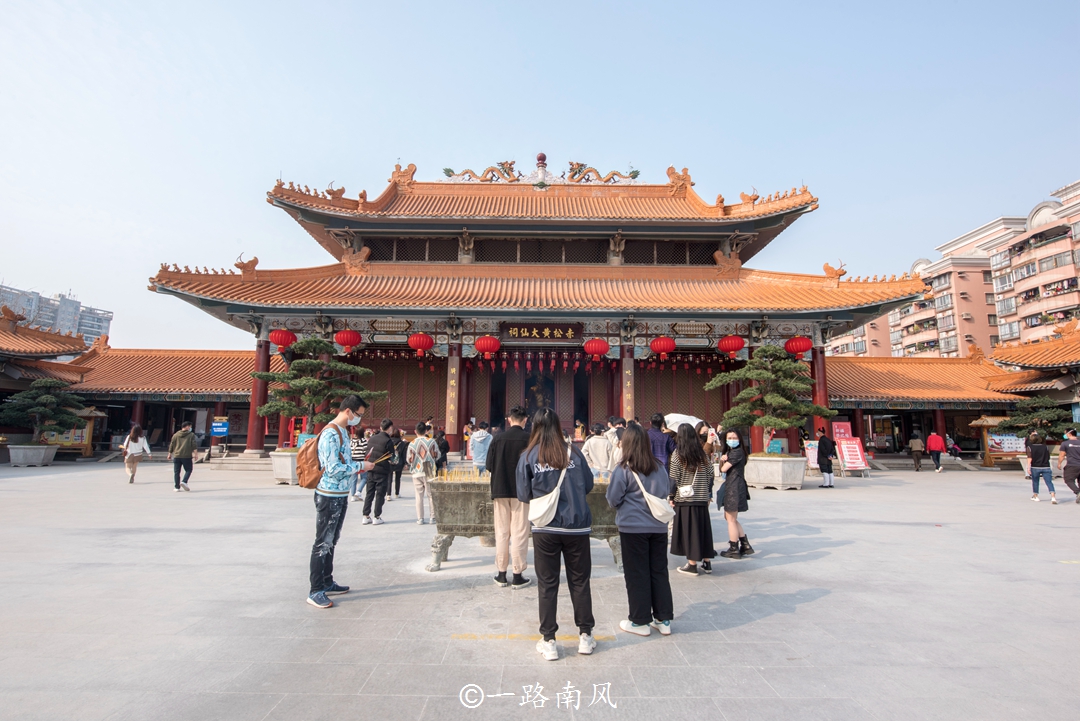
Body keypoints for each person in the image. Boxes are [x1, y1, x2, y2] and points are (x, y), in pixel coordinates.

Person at [516, 408, 596, 661]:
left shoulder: (529, 456)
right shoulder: (575, 453)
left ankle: (548, 640)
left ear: (535, 427)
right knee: (580, 581)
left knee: (547, 584)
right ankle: (585, 636)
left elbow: (522, 494)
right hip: (577, 526)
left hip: (546, 528)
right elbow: (589, 485)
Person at [606, 423, 674, 637]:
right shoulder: (659, 466)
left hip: (633, 527)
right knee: (659, 571)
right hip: (658, 527)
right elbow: (665, 491)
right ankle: (663, 619)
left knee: (637, 574)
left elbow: (612, 498)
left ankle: (640, 620)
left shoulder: (623, 469)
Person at [307, 395, 375, 609]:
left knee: (332, 540)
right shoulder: (330, 434)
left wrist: (360, 464)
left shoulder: (344, 433)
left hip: (340, 494)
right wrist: (360, 466)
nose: (359, 419)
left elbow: (344, 462)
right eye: (359, 414)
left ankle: (327, 581)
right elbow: (333, 468)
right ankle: (315, 589)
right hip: (328, 494)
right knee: (322, 542)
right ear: (348, 411)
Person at [486, 405, 532, 588]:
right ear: (525, 420)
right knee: (520, 533)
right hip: (521, 491)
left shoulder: (497, 439)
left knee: (502, 532)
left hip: (500, 489)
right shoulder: (529, 439)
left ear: (509, 419)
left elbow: (489, 465)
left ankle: (501, 573)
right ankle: (518, 574)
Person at [668, 423, 716, 575]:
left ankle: (692, 564)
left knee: (690, 531)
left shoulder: (678, 454)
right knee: (704, 530)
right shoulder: (701, 454)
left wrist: (671, 496)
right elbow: (710, 473)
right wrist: (707, 492)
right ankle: (707, 562)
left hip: (685, 498)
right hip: (701, 498)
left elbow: (674, 477)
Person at [718, 429, 754, 559]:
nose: (732, 440)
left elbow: (723, 469)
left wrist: (723, 460)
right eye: (729, 438)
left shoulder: (736, 453)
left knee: (731, 519)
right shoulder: (735, 452)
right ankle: (745, 545)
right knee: (730, 518)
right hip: (734, 486)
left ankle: (734, 548)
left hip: (734, 487)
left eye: (734, 438)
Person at [406, 422, 441, 524]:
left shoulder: (411, 443)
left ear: (415, 431)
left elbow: (408, 459)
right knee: (431, 495)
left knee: (418, 495)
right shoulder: (432, 441)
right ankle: (432, 517)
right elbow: (438, 455)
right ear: (426, 431)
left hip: (416, 470)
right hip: (428, 468)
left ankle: (420, 518)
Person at [362, 419, 395, 524]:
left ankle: (366, 515)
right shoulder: (388, 441)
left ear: (381, 427)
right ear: (389, 428)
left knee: (369, 493)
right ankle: (377, 516)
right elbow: (392, 457)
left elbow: (367, 452)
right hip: (382, 470)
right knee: (380, 494)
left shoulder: (372, 438)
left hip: (371, 469)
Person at [167, 420, 197, 492]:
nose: (190, 428)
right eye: (189, 426)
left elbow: (172, 444)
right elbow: (194, 445)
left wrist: (169, 453)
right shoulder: (191, 435)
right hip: (186, 456)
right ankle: (184, 481)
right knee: (189, 469)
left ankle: (176, 487)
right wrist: (196, 454)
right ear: (187, 427)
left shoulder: (175, 435)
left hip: (177, 455)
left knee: (177, 472)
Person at [1027, 433, 1057, 504]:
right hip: (1046, 466)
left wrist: (1028, 468)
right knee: (1049, 482)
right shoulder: (1045, 447)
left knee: (1035, 481)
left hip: (1035, 466)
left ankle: (1036, 496)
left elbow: (1029, 458)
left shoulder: (1030, 447)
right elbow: (1048, 457)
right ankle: (1053, 497)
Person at [1056, 428, 1080, 503]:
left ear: (1069, 434)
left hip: (1072, 465)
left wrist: (1059, 463)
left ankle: (1078, 492)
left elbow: (1062, 455)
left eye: (1065, 433)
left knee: (1068, 480)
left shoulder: (1065, 443)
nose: (1064, 435)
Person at [349, 425, 369, 502]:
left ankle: (353, 495)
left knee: (353, 479)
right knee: (364, 477)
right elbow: (365, 452)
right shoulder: (364, 441)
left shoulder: (351, 441)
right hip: (361, 461)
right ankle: (358, 491)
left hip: (353, 461)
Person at [387, 428, 407, 500]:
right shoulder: (402, 443)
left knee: (389, 478)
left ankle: (388, 494)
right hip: (399, 462)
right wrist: (405, 463)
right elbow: (404, 454)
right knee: (398, 478)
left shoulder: (389, 442)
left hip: (390, 462)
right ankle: (397, 493)